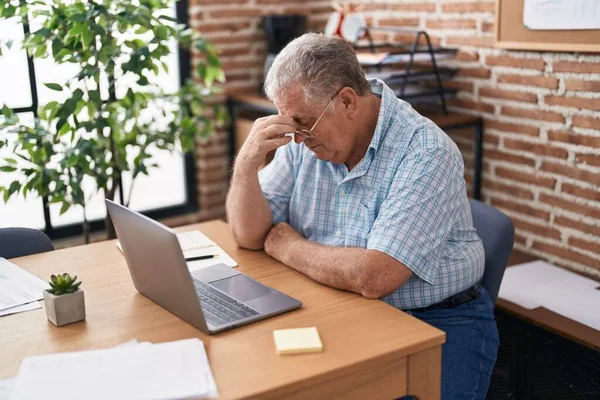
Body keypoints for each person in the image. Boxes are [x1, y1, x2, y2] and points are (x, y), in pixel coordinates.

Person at [226, 33, 498, 400]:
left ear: (347, 102)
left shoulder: (426, 152)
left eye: (304, 123)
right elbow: (248, 235)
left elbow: (374, 276)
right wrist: (246, 164)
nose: (298, 137)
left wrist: (286, 244)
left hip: (439, 318)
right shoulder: (308, 138)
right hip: (341, 302)